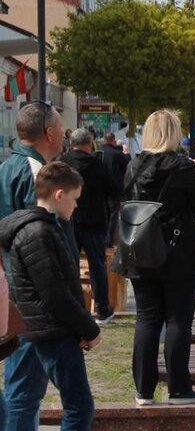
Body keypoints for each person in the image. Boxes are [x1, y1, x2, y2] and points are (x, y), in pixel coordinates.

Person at [0, 162, 99, 431]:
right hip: (52, 331)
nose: (76, 207)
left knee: (78, 406)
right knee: (79, 408)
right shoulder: (38, 233)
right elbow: (56, 293)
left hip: (53, 330)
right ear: (59, 195)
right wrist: (88, 327)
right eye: (74, 199)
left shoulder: (39, 228)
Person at [116, 111, 195, 408]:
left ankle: (143, 391)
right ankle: (179, 389)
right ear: (173, 133)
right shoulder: (182, 167)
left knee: (147, 319)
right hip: (178, 253)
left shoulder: (133, 164)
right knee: (177, 319)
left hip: (141, 250)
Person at [1, 101, 70, 431]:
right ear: (48, 133)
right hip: (28, 294)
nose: (63, 135)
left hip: (13, 288)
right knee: (24, 384)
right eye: (60, 129)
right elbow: (36, 241)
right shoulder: (34, 173)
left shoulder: (7, 166)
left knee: (22, 382)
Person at [57, 129, 120, 322]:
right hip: (94, 222)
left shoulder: (62, 164)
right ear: (90, 143)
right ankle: (102, 308)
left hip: (68, 221)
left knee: (68, 266)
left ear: (71, 142)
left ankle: (72, 309)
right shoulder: (98, 165)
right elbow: (114, 190)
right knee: (97, 267)